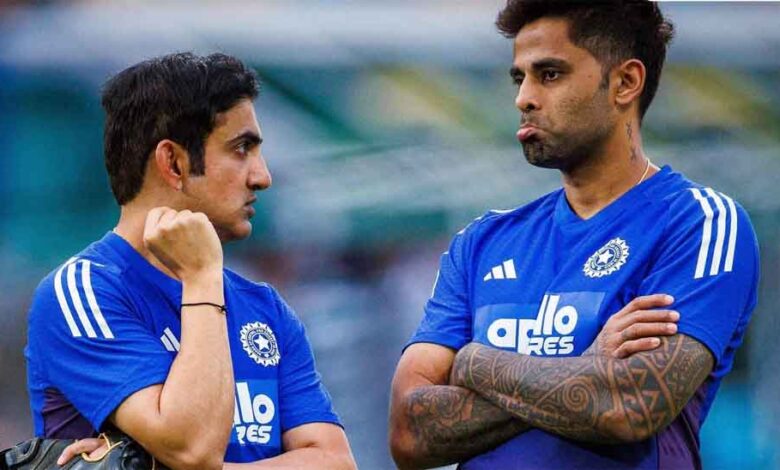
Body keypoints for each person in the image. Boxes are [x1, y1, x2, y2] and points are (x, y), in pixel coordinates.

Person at [389, 1, 759, 469]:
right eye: (519, 78)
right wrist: (588, 364)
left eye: (549, 74)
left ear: (625, 82)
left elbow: (630, 405)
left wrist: (474, 362)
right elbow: (410, 433)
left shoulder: (699, 223)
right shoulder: (481, 242)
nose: (524, 98)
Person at [25, 52, 356, 470]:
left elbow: (335, 461)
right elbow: (193, 449)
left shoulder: (265, 308)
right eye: (241, 149)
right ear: (174, 163)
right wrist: (201, 280)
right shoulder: (82, 293)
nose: (262, 177)